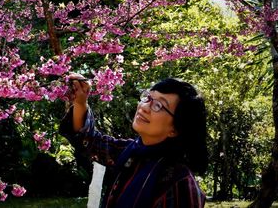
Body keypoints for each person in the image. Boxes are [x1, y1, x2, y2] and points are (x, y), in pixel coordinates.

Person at [60, 74, 208, 208]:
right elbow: (90, 142)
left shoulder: (179, 182)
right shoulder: (130, 151)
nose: (144, 107)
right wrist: (80, 102)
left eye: (158, 105)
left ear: (175, 129)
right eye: (148, 98)